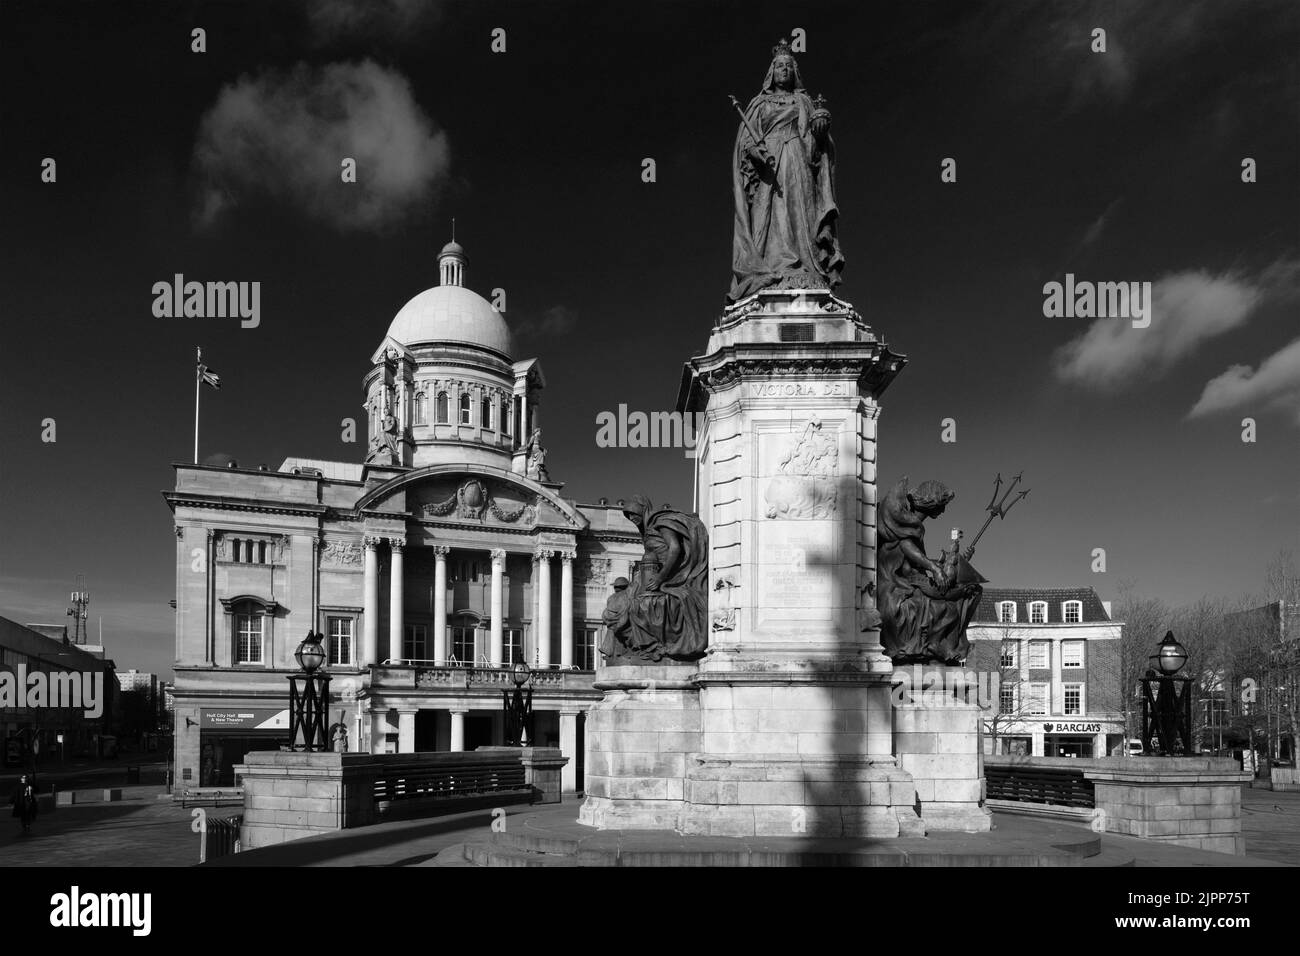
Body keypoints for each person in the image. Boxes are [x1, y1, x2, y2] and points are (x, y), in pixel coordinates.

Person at [728, 39, 843, 303]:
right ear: (772, 72)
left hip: (798, 161)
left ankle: (806, 267)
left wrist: (821, 134)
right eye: (779, 66)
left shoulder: (804, 102)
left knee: (800, 213)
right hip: (768, 169)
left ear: (794, 72)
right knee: (768, 220)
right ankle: (769, 269)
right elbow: (746, 143)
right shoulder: (758, 104)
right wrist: (756, 152)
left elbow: (818, 144)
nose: (783, 70)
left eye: (788, 67)